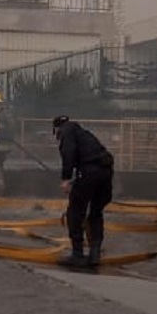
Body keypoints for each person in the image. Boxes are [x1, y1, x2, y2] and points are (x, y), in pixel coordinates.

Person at [52, 115, 115, 269]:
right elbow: (91, 158)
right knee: (95, 212)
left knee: (74, 213)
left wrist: (66, 179)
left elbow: (68, 154)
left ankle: (77, 255)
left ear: (57, 129)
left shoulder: (67, 133)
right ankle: (94, 254)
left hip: (89, 173)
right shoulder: (84, 134)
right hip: (105, 172)